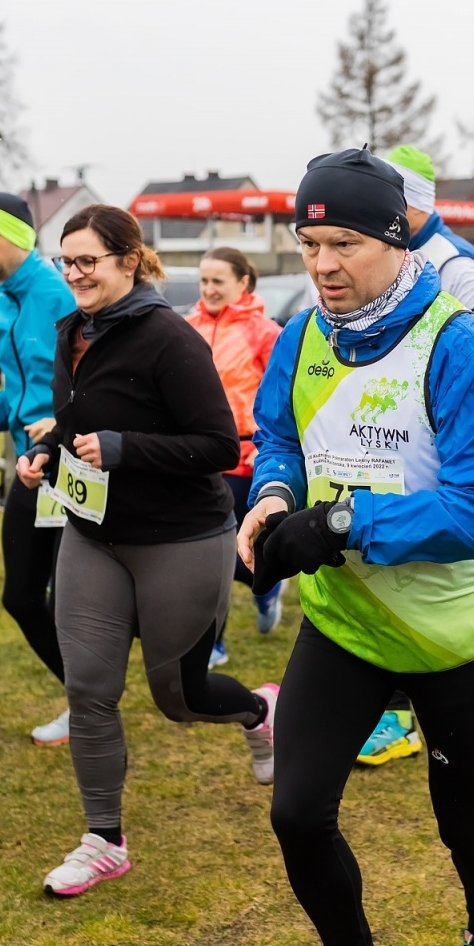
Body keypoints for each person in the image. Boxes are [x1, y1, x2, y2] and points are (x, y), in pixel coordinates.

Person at [239, 148, 474, 946]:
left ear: (399, 241)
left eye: (346, 245)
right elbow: (283, 437)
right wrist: (273, 496)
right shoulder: (302, 335)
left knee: (466, 823)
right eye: (308, 244)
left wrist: (339, 523)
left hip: (449, 634)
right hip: (345, 622)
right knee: (296, 814)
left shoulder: (463, 348)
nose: (323, 265)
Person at [16, 204, 277, 898]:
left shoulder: (169, 337)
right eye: (65, 262)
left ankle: (258, 712)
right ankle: (103, 839)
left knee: (178, 697)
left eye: (87, 262)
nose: (74, 274)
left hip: (182, 538)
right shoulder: (74, 328)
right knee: (88, 689)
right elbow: (81, 413)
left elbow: (221, 446)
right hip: (94, 533)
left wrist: (128, 450)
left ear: (129, 261)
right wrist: (47, 448)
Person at [354, 146, 474, 764]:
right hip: (382, 442)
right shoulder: (385, 254)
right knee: (387, 577)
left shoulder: (457, 263)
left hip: (450, 456)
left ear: (411, 204)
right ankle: (395, 716)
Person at [0, 191, 76, 745]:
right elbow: (20, 390)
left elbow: (96, 376)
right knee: (23, 596)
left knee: (85, 594)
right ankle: (88, 698)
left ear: (20, 238)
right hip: (33, 462)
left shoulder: (58, 293)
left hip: (78, 457)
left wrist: (60, 422)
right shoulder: (3, 300)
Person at [185, 246, 286, 670]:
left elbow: (281, 400)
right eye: (203, 281)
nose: (208, 289)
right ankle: (218, 636)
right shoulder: (185, 327)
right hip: (194, 456)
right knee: (203, 553)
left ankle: (260, 592)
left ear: (242, 283)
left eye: (217, 281)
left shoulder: (266, 332)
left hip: (244, 456)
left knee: (230, 552)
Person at [381, 144, 474, 309]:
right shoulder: (393, 248)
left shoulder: (459, 265)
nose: (381, 208)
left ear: (419, 204)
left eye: (390, 200)